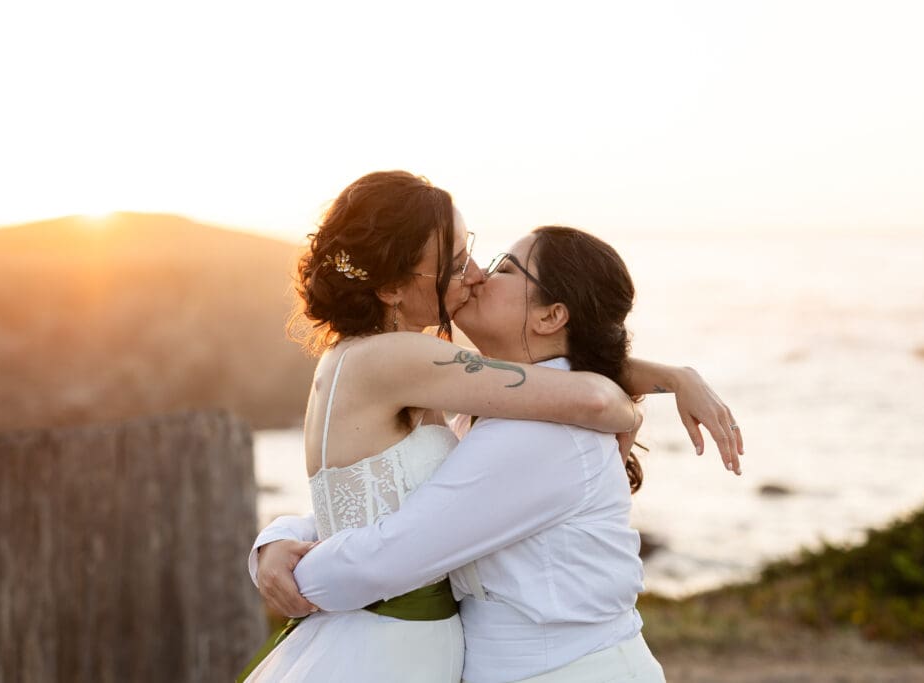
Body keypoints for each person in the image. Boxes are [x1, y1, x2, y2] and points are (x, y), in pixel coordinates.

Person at [243, 171, 742, 681]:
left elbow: (395, 550)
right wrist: (281, 539)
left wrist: (292, 569)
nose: (477, 275)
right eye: (460, 264)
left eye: (503, 266)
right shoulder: (483, 395)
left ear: (550, 317)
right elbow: (399, 493)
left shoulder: (540, 431)